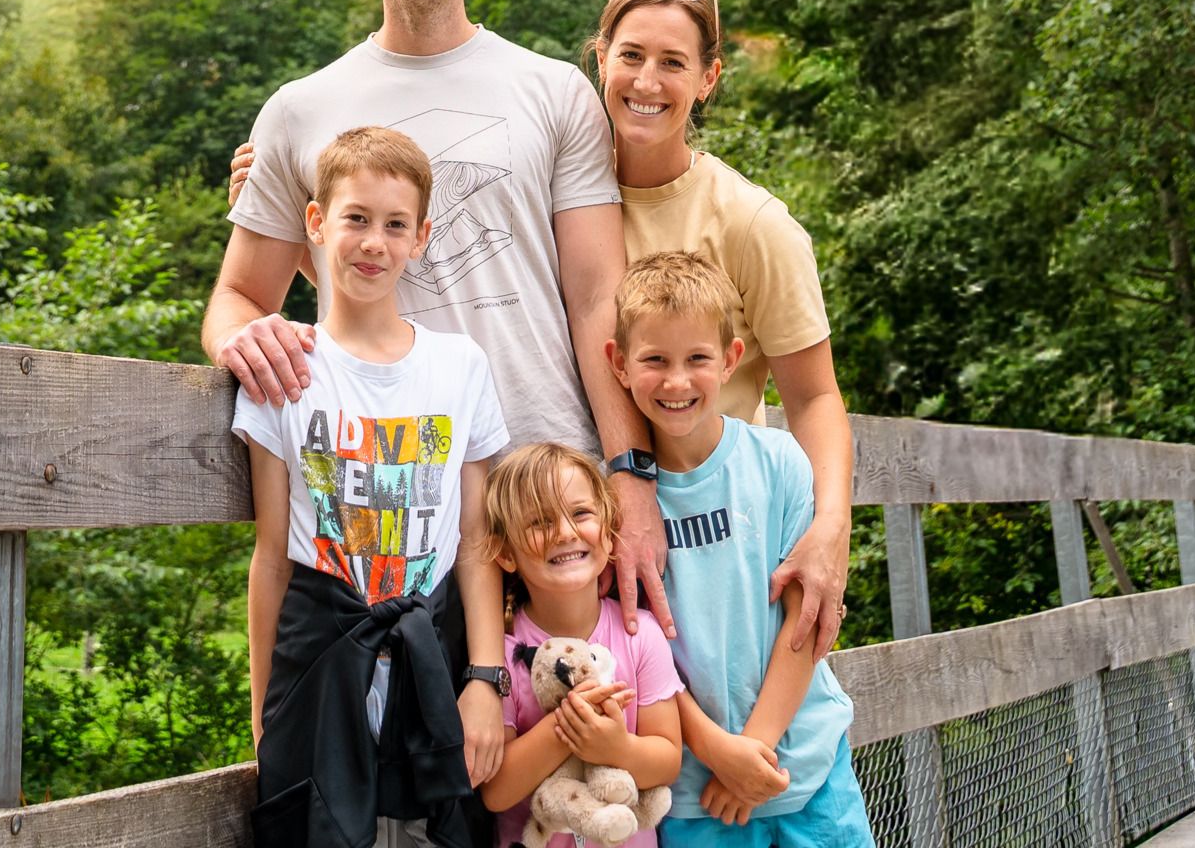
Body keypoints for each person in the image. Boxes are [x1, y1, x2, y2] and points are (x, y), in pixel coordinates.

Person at [207, 0, 673, 679]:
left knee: (563, 771)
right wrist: (244, 337)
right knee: (398, 788)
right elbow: (238, 296)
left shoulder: (553, 91)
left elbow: (598, 295)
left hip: (548, 496)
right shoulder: (299, 110)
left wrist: (630, 474)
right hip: (386, 514)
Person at [238, 125, 511, 848]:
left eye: (395, 225)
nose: (373, 242)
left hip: (434, 663)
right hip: (321, 665)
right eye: (356, 218)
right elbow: (271, 555)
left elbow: (477, 544)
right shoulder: (287, 369)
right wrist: (264, 707)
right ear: (317, 223)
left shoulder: (459, 367)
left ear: (420, 237)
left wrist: (486, 680)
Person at [592, 0, 853, 660]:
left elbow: (817, 395)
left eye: (674, 63)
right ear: (600, 58)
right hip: (586, 548)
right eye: (632, 55)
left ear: (708, 78)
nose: (647, 81)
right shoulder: (559, 201)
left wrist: (829, 528)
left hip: (721, 552)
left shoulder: (751, 224)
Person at [613, 253, 872, 848]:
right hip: (696, 791)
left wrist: (754, 747)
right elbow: (633, 643)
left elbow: (805, 619)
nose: (676, 381)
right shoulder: (622, 508)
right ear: (619, 365)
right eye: (654, 360)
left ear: (730, 360)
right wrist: (717, 752)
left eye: (697, 359)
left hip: (805, 764)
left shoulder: (779, 462)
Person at [479, 445, 682, 848]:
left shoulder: (640, 634)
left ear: (608, 533)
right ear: (505, 553)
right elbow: (496, 791)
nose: (565, 533)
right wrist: (566, 726)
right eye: (539, 522)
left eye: (581, 514)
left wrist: (616, 746)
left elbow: (668, 761)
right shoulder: (502, 653)